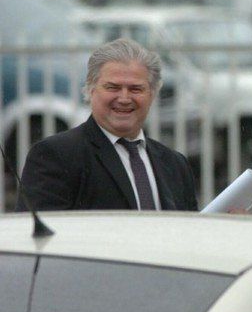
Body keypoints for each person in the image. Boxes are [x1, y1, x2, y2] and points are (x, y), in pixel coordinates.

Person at [16, 38, 197, 212]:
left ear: (153, 93)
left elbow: (187, 234)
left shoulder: (175, 164)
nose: (124, 99)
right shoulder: (56, 156)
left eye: (135, 89)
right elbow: (40, 236)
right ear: (90, 89)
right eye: (113, 87)